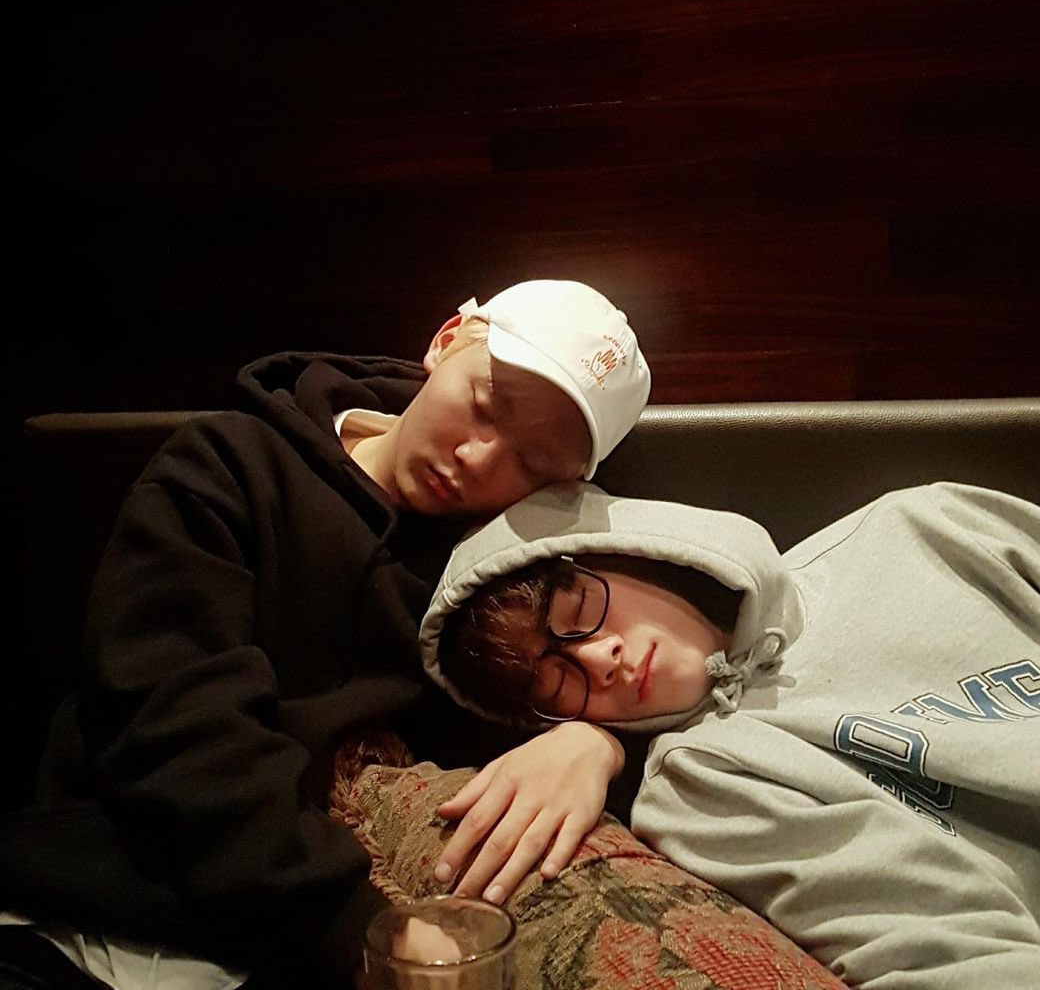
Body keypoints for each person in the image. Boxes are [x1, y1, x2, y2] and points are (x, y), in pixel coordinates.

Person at [0, 280, 652, 990]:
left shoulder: (498, 580)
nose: (479, 457)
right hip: (95, 914)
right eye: (485, 405)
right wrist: (355, 926)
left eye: (532, 463)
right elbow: (171, 725)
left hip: (293, 954)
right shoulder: (230, 463)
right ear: (444, 342)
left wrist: (596, 745)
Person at [420, 481, 1040, 988]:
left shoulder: (922, 527)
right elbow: (950, 960)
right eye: (557, 684)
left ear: (626, 552)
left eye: (580, 610)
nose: (599, 659)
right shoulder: (704, 780)